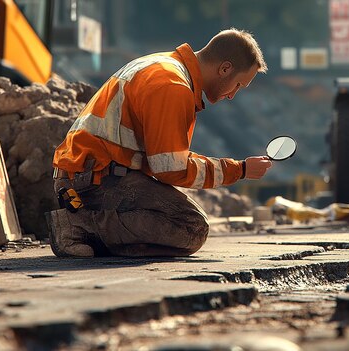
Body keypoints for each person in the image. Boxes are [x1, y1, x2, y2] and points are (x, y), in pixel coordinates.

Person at [47, 28, 272, 258]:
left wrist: (239, 168)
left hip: (85, 176)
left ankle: (91, 231)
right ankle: (79, 226)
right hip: (94, 181)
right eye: (238, 85)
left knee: (186, 225)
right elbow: (170, 169)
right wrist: (239, 170)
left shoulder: (163, 67)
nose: (233, 95)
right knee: (191, 226)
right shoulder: (173, 86)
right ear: (225, 69)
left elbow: (170, 158)